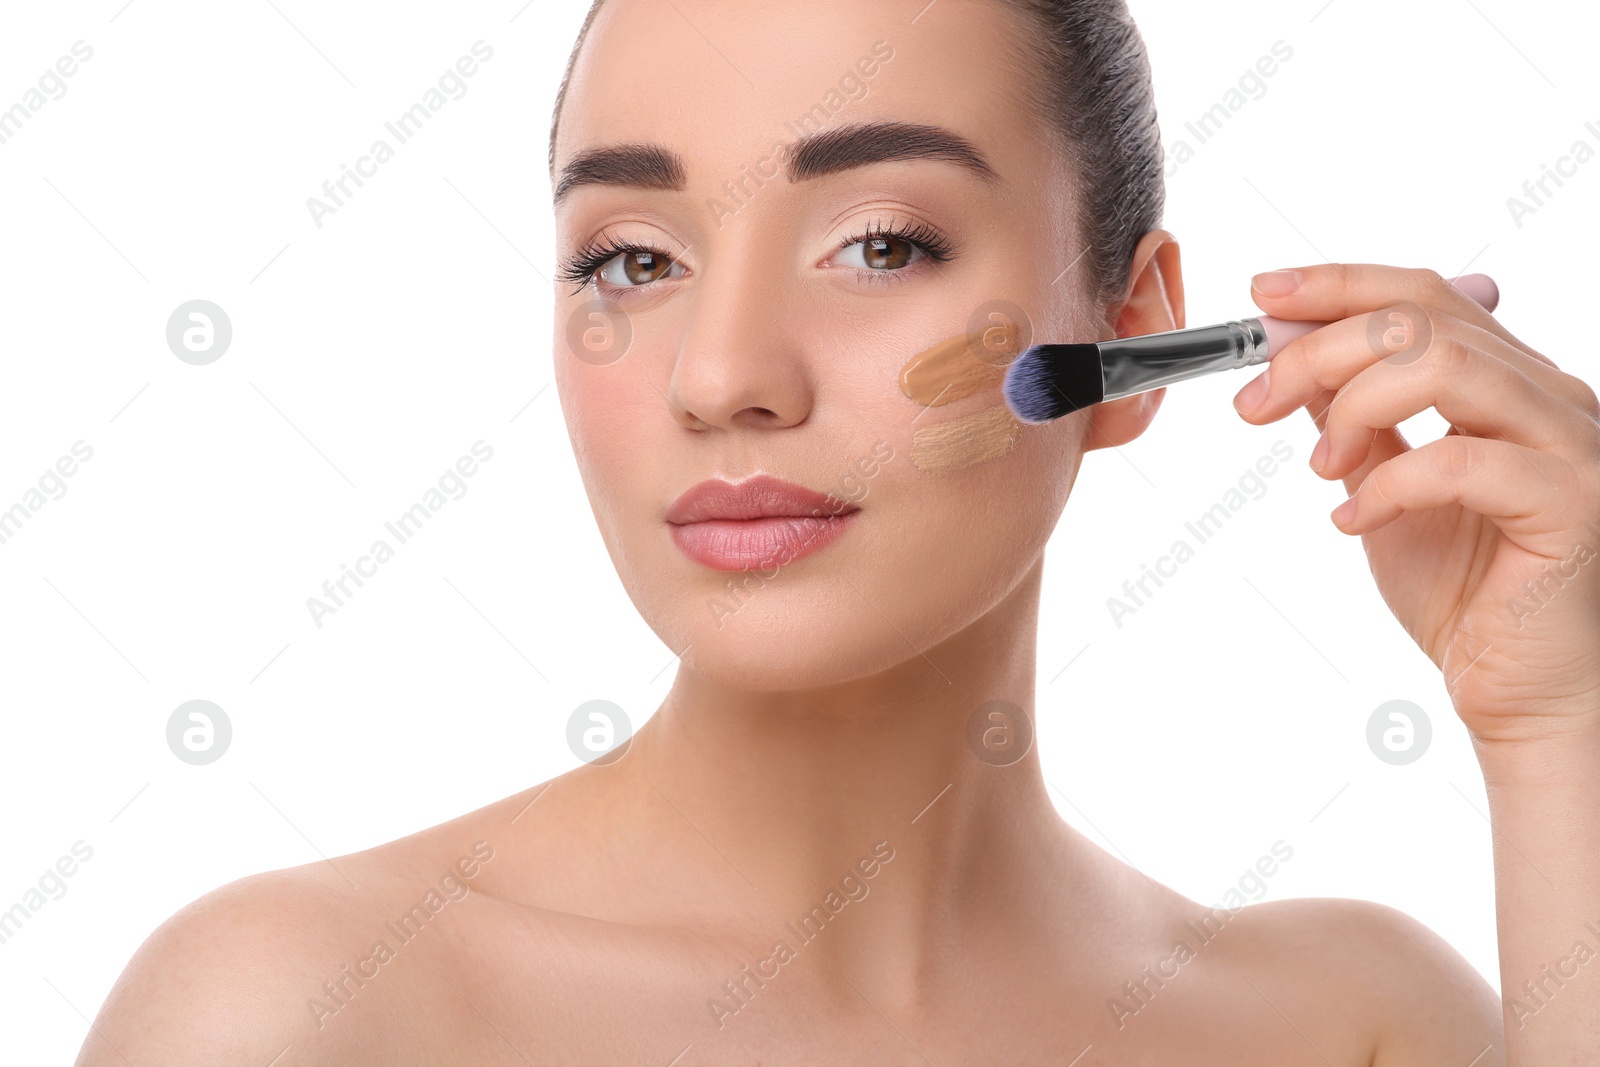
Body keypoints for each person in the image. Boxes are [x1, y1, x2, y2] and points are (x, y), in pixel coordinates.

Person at [77, 0, 1600, 1062]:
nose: (725, 373)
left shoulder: (1353, 1030)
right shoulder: (300, 1017)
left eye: (881, 243)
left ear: (1126, 337)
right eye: (629, 259)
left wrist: (1563, 723)